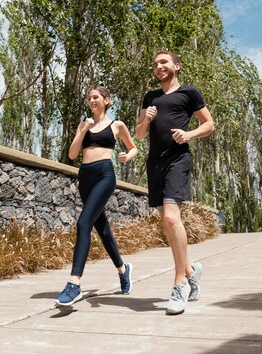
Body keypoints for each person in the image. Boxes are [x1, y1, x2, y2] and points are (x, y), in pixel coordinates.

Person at [135, 51, 215, 315]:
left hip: (177, 160)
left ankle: (180, 282)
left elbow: (209, 124)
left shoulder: (189, 93)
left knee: (171, 218)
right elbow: (140, 133)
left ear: (176, 66)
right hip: (154, 163)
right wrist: (146, 117)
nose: (158, 66)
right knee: (167, 225)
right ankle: (192, 270)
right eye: (155, 63)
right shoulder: (150, 97)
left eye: (164, 62)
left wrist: (189, 134)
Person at [55, 86, 139, 306]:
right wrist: (83, 130)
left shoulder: (116, 125)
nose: (91, 100)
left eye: (95, 97)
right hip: (86, 177)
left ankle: (74, 284)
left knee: (84, 223)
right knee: (101, 228)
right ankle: (123, 269)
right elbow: (72, 155)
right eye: (89, 97)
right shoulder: (84, 124)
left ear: (106, 100)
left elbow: (133, 148)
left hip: (105, 175)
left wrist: (126, 156)